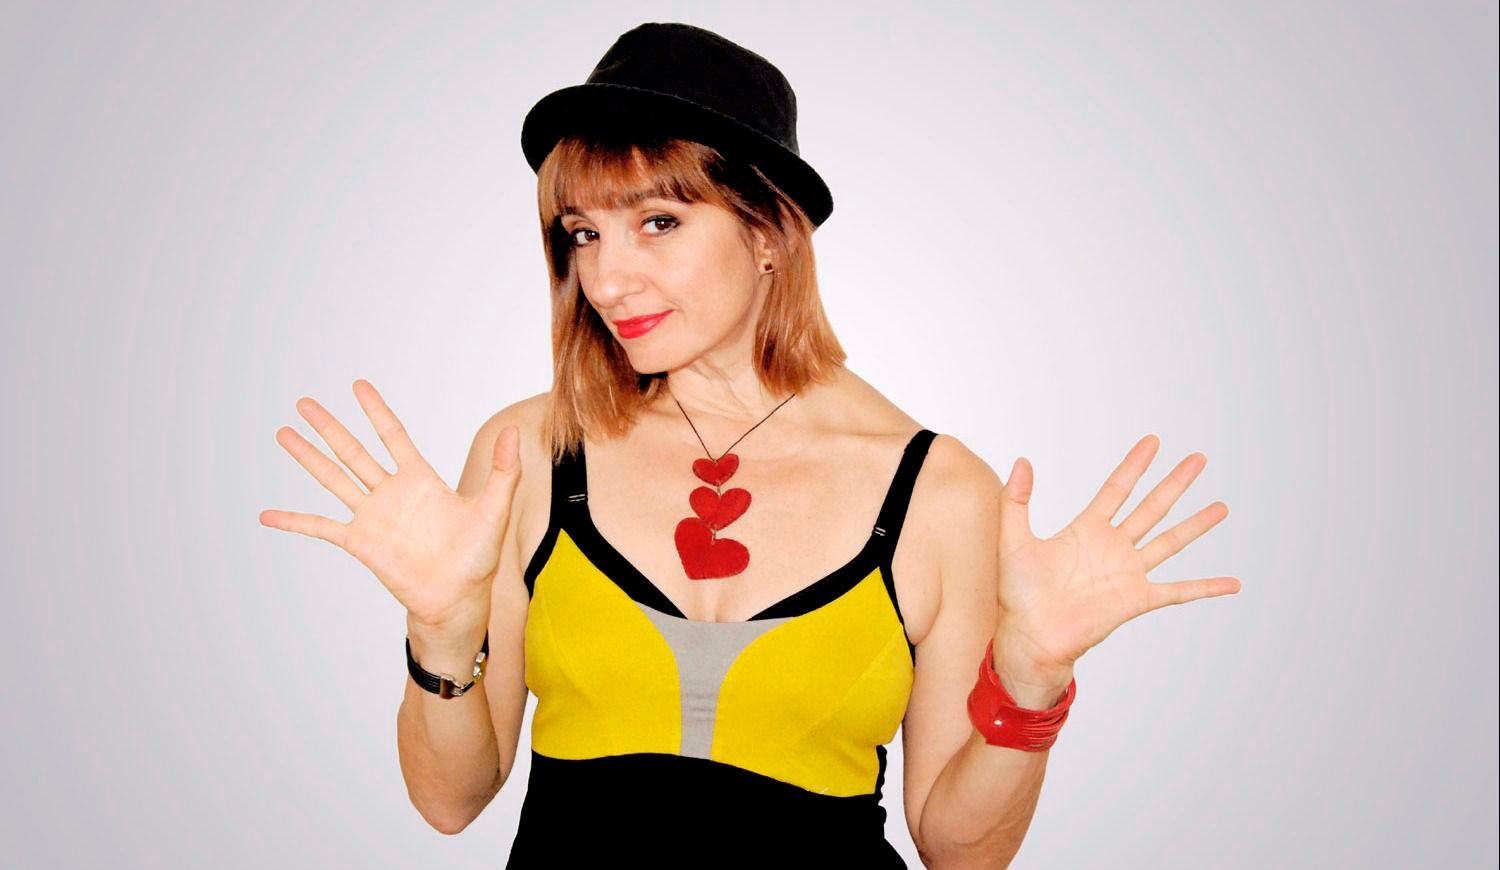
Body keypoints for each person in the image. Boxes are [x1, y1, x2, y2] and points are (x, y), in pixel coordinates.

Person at [260, 22, 1240, 868]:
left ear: (769, 229)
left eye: (658, 222)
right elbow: (450, 801)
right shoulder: (529, 452)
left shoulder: (939, 493)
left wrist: (1029, 681)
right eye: (583, 232)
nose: (607, 280)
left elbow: (960, 850)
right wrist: (441, 631)